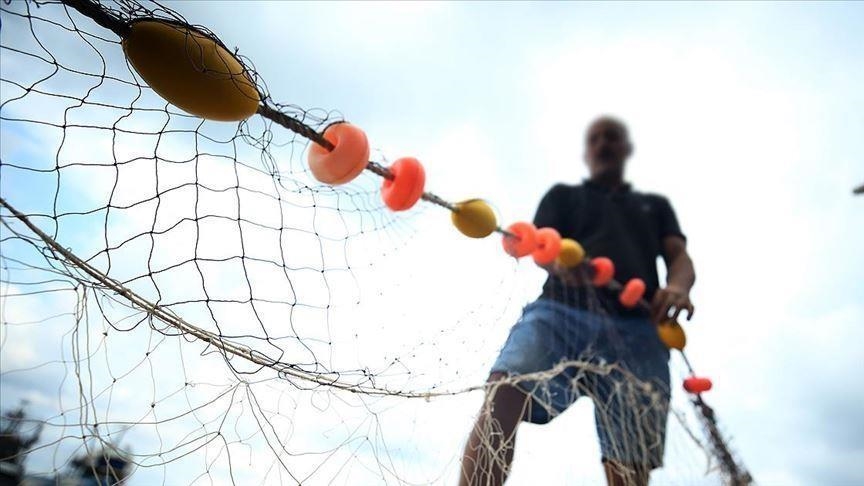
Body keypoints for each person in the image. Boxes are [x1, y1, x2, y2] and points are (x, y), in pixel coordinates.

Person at [459, 116, 696, 486]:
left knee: (630, 462)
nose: (603, 144)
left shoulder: (655, 206)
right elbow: (541, 248)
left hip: (640, 330)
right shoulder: (563, 197)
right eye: (595, 139)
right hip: (561, 310)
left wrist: (678, 288)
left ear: (626, 148)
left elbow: (679, 257)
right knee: (505, 388)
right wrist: (558, 262)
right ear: (587, 152)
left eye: (612, 137)